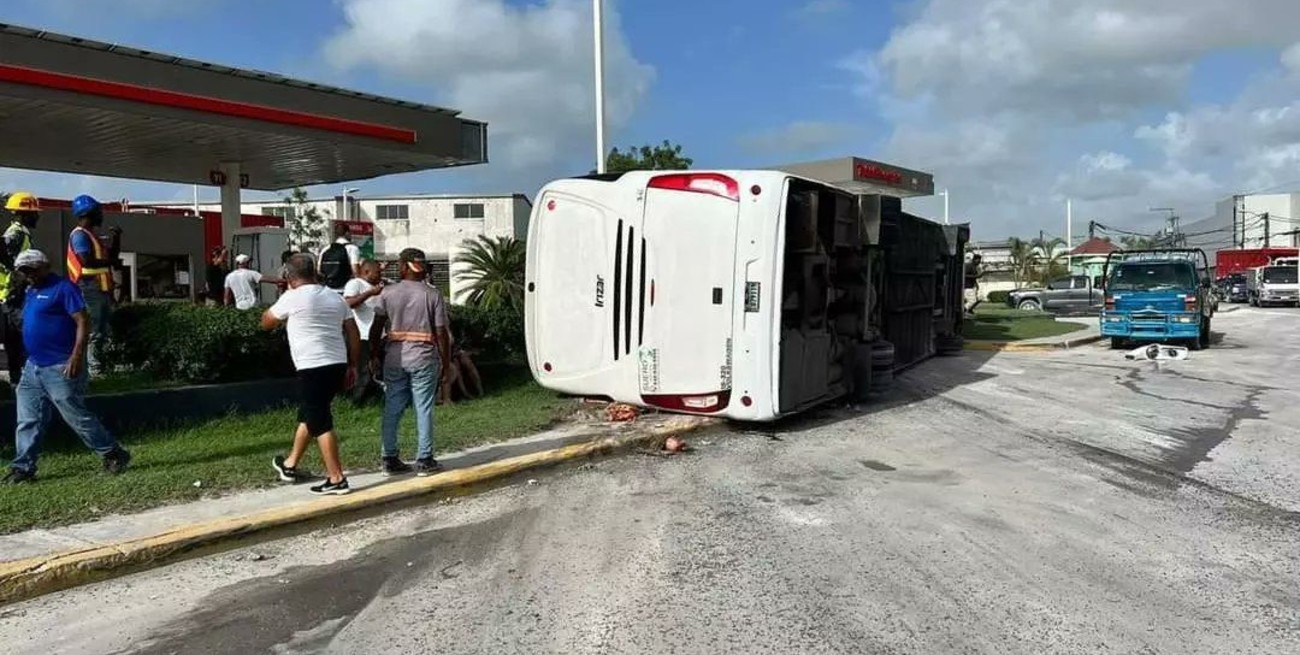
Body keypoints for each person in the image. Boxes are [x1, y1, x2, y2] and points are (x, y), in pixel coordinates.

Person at [2, 250, 131, 484]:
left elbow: (83, 321)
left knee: (76, 416)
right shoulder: (31, 291)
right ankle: (23, 467)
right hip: (34, 367)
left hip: (61, 365)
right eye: (23, 271)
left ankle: (112, 452)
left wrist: (76, 357)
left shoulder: (64, 288)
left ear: (45, 266)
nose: (27, 275)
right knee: (28, 419)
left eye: (30, 270)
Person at [261, 253, 361, 496]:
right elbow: (353, 331)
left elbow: (266, 322)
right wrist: (354, 365)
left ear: (289, 276)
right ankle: (290, 464)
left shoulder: (291, 297)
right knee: (310, 411)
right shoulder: (334, 298)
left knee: (320, 421)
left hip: (311, 366)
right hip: (337, 363)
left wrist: (285, 298)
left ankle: (337, 479)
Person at [369, 247, 451, 476]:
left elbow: (376, 327)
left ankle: (389, 458)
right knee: (423, 408)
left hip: (394, 358)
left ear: (404, 266)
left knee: (392, 407)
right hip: (424, 358)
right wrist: (445, 362)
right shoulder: (432, 294)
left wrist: (374, 355)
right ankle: (424, 459)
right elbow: (441, 332)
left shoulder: (388, 293)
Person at [67, 194, 121, 374]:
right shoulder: (79, 236)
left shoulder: (92, 236)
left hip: (100, 289)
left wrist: (116, 239)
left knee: (104, 329)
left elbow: (110, 256)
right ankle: (95, 371)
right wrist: (111, 263)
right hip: (88, 288)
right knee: (95, 330)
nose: (101, 215)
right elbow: (86, 261)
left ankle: (102, 367)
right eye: (99, 212)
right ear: (89, 213)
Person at [1, 192, 40, 385]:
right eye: (34, 213)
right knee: (23, 336)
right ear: (23, 214)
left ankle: (19, 379)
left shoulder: (22, 233)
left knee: (15, 340)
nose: (37, 216)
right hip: (11, 295)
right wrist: (15, 270)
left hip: (14, 293)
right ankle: (23, 379)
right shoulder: (15, 233)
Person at [343, 260, 385, 405]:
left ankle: (373, 398)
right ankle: (356, 400)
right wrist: (369, 293)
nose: (381, 275)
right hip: (362, 335)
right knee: (363, 371)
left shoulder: (377, 287)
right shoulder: (356, 284)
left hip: (378, 335)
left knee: (375, 369)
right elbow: (348, 303)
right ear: (367, 272)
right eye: (378, 273)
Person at [318, 223, 361, 294]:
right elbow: (355, 271)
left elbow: (319, 270)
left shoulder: (325, 249)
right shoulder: (352, 248)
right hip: (346, 289)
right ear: (347, 233)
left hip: (328, 290)